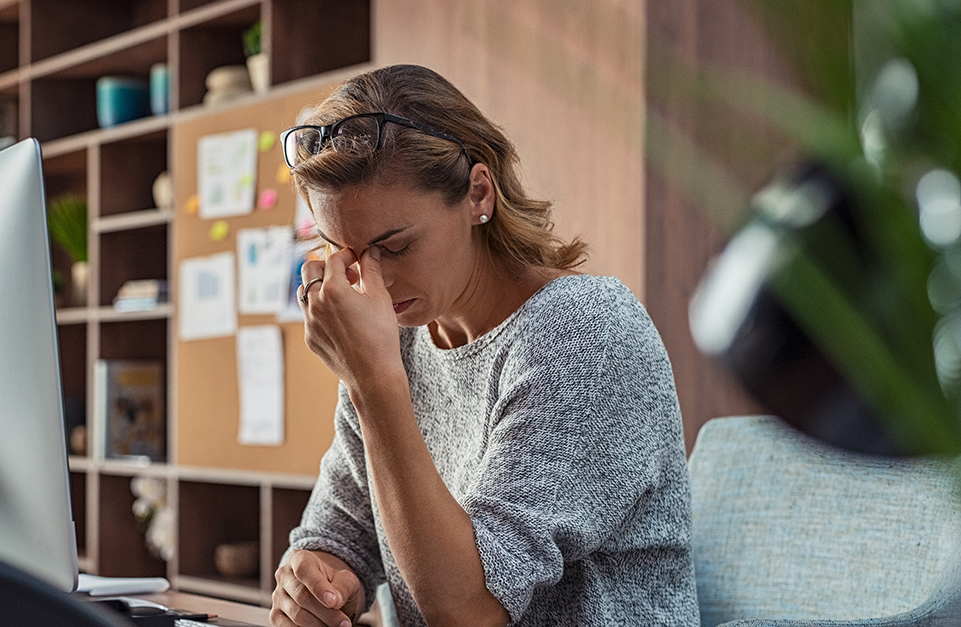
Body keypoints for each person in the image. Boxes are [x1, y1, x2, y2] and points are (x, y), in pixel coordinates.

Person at [271, 64, 698, 627]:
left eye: (394, 247)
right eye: (344, 251)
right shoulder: (398, 343)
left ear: (478, 193)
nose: (369, 284)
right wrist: (320, 584)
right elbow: (342, 533)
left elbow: (470, 610)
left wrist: (372, 381)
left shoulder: (585, 334)